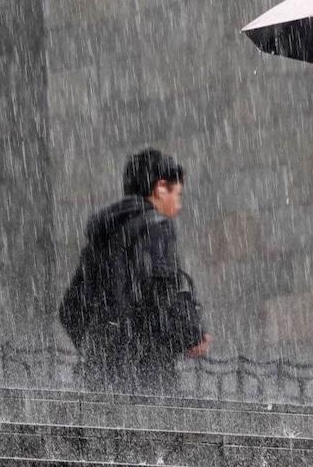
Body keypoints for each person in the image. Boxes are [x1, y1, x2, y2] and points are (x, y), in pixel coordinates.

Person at [59, 148, 212, 394]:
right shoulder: (157, 226)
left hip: (99, 376)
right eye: (178, 194)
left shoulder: (104, 234)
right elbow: (162, 291)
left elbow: (70, 309)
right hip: (146, 378)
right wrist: (192, 336)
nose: (179, 206)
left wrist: (102, 347)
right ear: (161, 187)